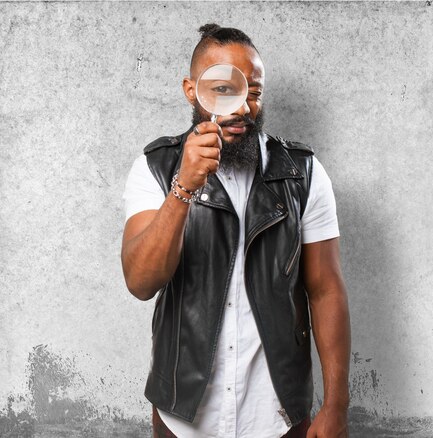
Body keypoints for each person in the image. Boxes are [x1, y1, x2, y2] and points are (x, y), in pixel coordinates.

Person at [121, 23, 351, 438]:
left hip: (277, 417)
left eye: (255, 92)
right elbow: (140, 281)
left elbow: (326, 290)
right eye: (225, 90)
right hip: (183, 416)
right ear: (193, 90)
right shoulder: (155, 169)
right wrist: (183, 188)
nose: (243, 107)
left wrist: (336, 404)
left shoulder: (304, 174)